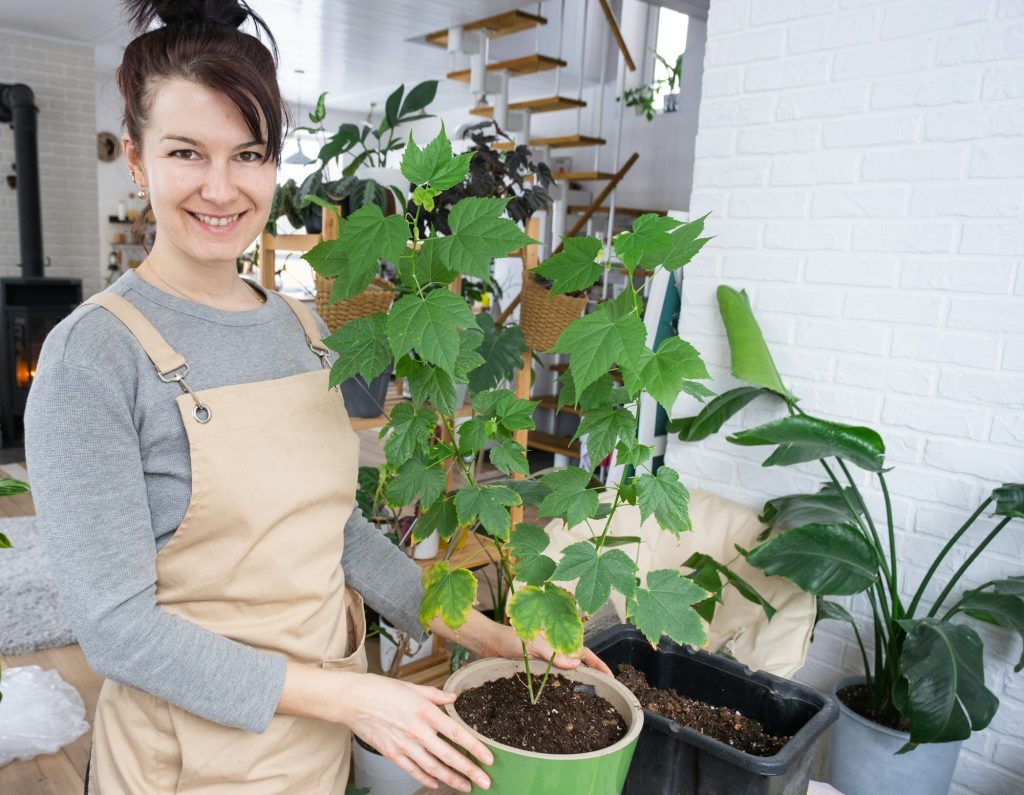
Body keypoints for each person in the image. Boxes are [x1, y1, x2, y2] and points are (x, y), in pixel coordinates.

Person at [22, 1, 610, 793]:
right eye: (187, 152)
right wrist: (359, 696)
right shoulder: (91, 356)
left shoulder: (301, 328)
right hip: (187, 762)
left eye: (250, 154)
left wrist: (489, 635)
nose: (222, 188)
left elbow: (335, 531)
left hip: (317, 746)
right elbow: (119, 633)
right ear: (135, 159)